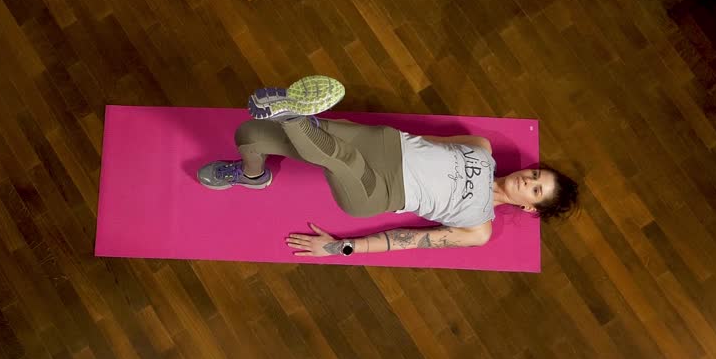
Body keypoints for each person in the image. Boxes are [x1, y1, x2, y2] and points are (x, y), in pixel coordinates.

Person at [197, 75, 579, 258]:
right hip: (383, 143)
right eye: (534, 174)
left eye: (535, 189)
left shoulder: (478, 227)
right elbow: (427, 145)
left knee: (339, 157)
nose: (526, 180)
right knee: (250, 134)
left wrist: (338, 248)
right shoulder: (481, 148)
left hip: (377, 190)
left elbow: (407, 239)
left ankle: (294, 116)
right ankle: (253, 176)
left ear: (530, 207)